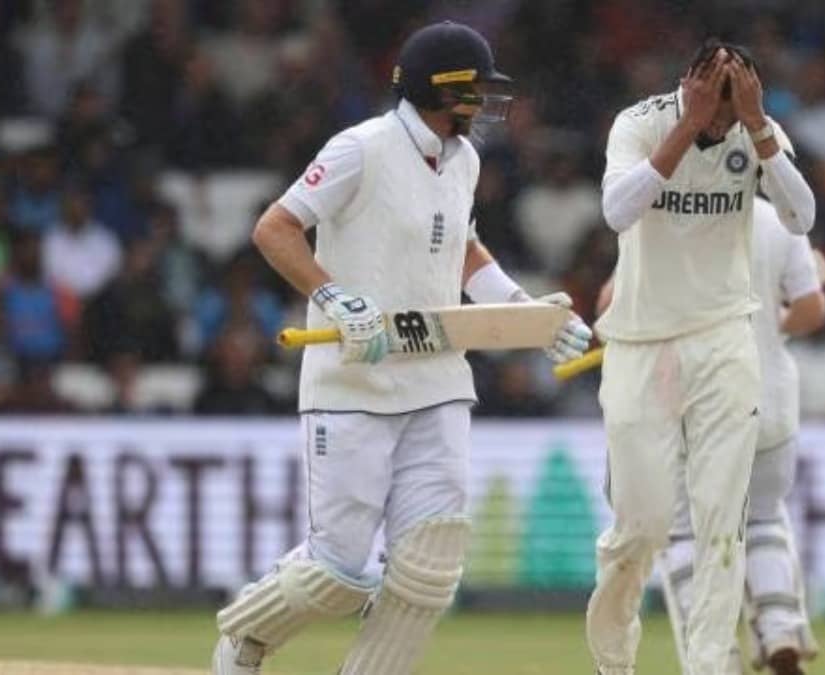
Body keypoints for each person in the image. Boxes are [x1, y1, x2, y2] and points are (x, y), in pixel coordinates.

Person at [211, 21, 591, 675]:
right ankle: (243, 638)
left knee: (430, 567)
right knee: (337, 572)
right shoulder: (361, 149)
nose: (485, 102)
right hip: (355, 380)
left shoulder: (464, 160)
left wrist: (526, 314)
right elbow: (275, 228)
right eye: (475, 89)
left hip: (437, 378)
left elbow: (462, 249)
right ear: (441, 88)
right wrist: (334, 297)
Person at [587, 39, 815, 675]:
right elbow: (616, 212)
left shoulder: (756, 129)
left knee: (721, 520)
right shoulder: (640, 123)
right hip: (641, 341)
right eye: (714, 108)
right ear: (687, 87)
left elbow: (800, 216)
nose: (721, 125)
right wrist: (688, 127)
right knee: (641, 526)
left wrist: (758, 126)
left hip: (722, 336)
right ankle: (613, 659)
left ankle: (711, 666)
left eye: (730, 111)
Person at [597, 196, 825, 675]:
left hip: (690, 402)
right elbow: (812, 308)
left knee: (684, 533)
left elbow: (608, 307)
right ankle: (780, 627)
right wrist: (772, 325)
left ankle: (718, 658)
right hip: (769, 399)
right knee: (763, 518)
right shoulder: (776, 219)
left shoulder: (662, 218)